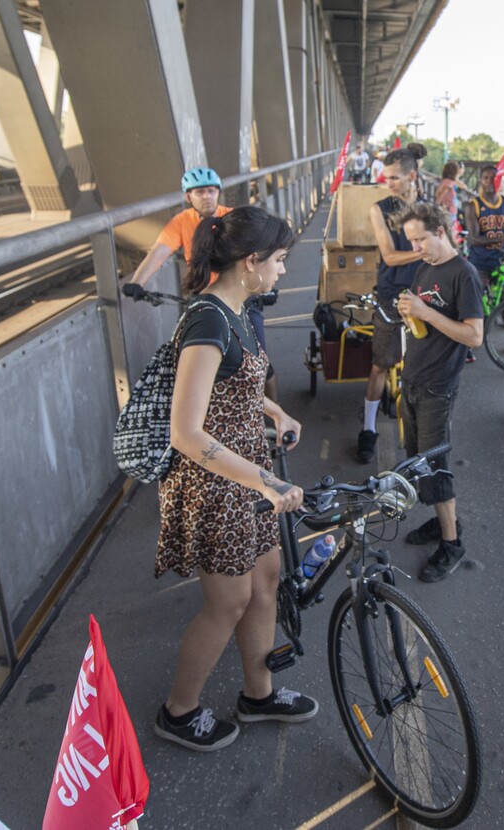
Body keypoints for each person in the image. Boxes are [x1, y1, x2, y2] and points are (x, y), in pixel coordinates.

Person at [153, 205, 317, 752]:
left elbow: (238, 385)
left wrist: (277, 415)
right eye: (279, 261)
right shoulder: (207, 320)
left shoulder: (238, 308)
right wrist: (265, 482)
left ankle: (259, 693)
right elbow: (186, 432)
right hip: (217, 483)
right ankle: (178, 711)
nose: (283, 271)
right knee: (227, 603)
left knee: (266, 583)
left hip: (245, 474)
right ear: (250, 262)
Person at [122, 167, 277, 399]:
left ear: (219, 193)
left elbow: (260, 256)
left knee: (259, 360)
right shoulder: (181, 222)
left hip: (240, 299)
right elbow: (158, 253)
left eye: (212, 191)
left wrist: (269, 287)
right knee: (194, 362)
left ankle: (274, 412)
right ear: (188, 197)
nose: (207, 197)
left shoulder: (232, 218)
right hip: (204, 301)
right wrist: (137, 282)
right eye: (200, 192)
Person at [393, 202, 484, 582]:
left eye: (421, 239)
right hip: (414, 376)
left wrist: (425, 313)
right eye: (412, 240)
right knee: (418, 461)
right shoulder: (424, 267)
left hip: (438, 384)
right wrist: (408, 311)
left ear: (441, 231)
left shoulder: (464, 274)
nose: (417, 247)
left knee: (436, 465)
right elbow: (424, 319)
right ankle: (440, 520)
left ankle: (452, 543)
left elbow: (475, 337)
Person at [357, 145, 426, 463]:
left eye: (395, 177)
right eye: (386, 178)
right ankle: (368, 428)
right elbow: (389, 256)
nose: (389, 183)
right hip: (391, 294)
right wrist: (428, 251)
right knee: (380, 365)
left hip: (425, 294)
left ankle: (423, 429)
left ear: (412, 176)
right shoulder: (379, 209)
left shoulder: (427, 208)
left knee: (424, 366)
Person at [463, 163, 504, 280]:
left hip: (502, 260)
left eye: (494, 178)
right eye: (486, 178)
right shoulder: (473, 206)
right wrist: (502, 238)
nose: (490, 181)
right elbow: (474, 239)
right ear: (480, 181)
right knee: (479, 295)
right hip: (480, 262)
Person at [435, 160, 462, 244]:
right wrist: (437, 205)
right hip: (450, 210)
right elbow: (441, 195)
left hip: (446, 209)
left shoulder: (444, 181)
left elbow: (437, 193)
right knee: (450, 232)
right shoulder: (449, 183)